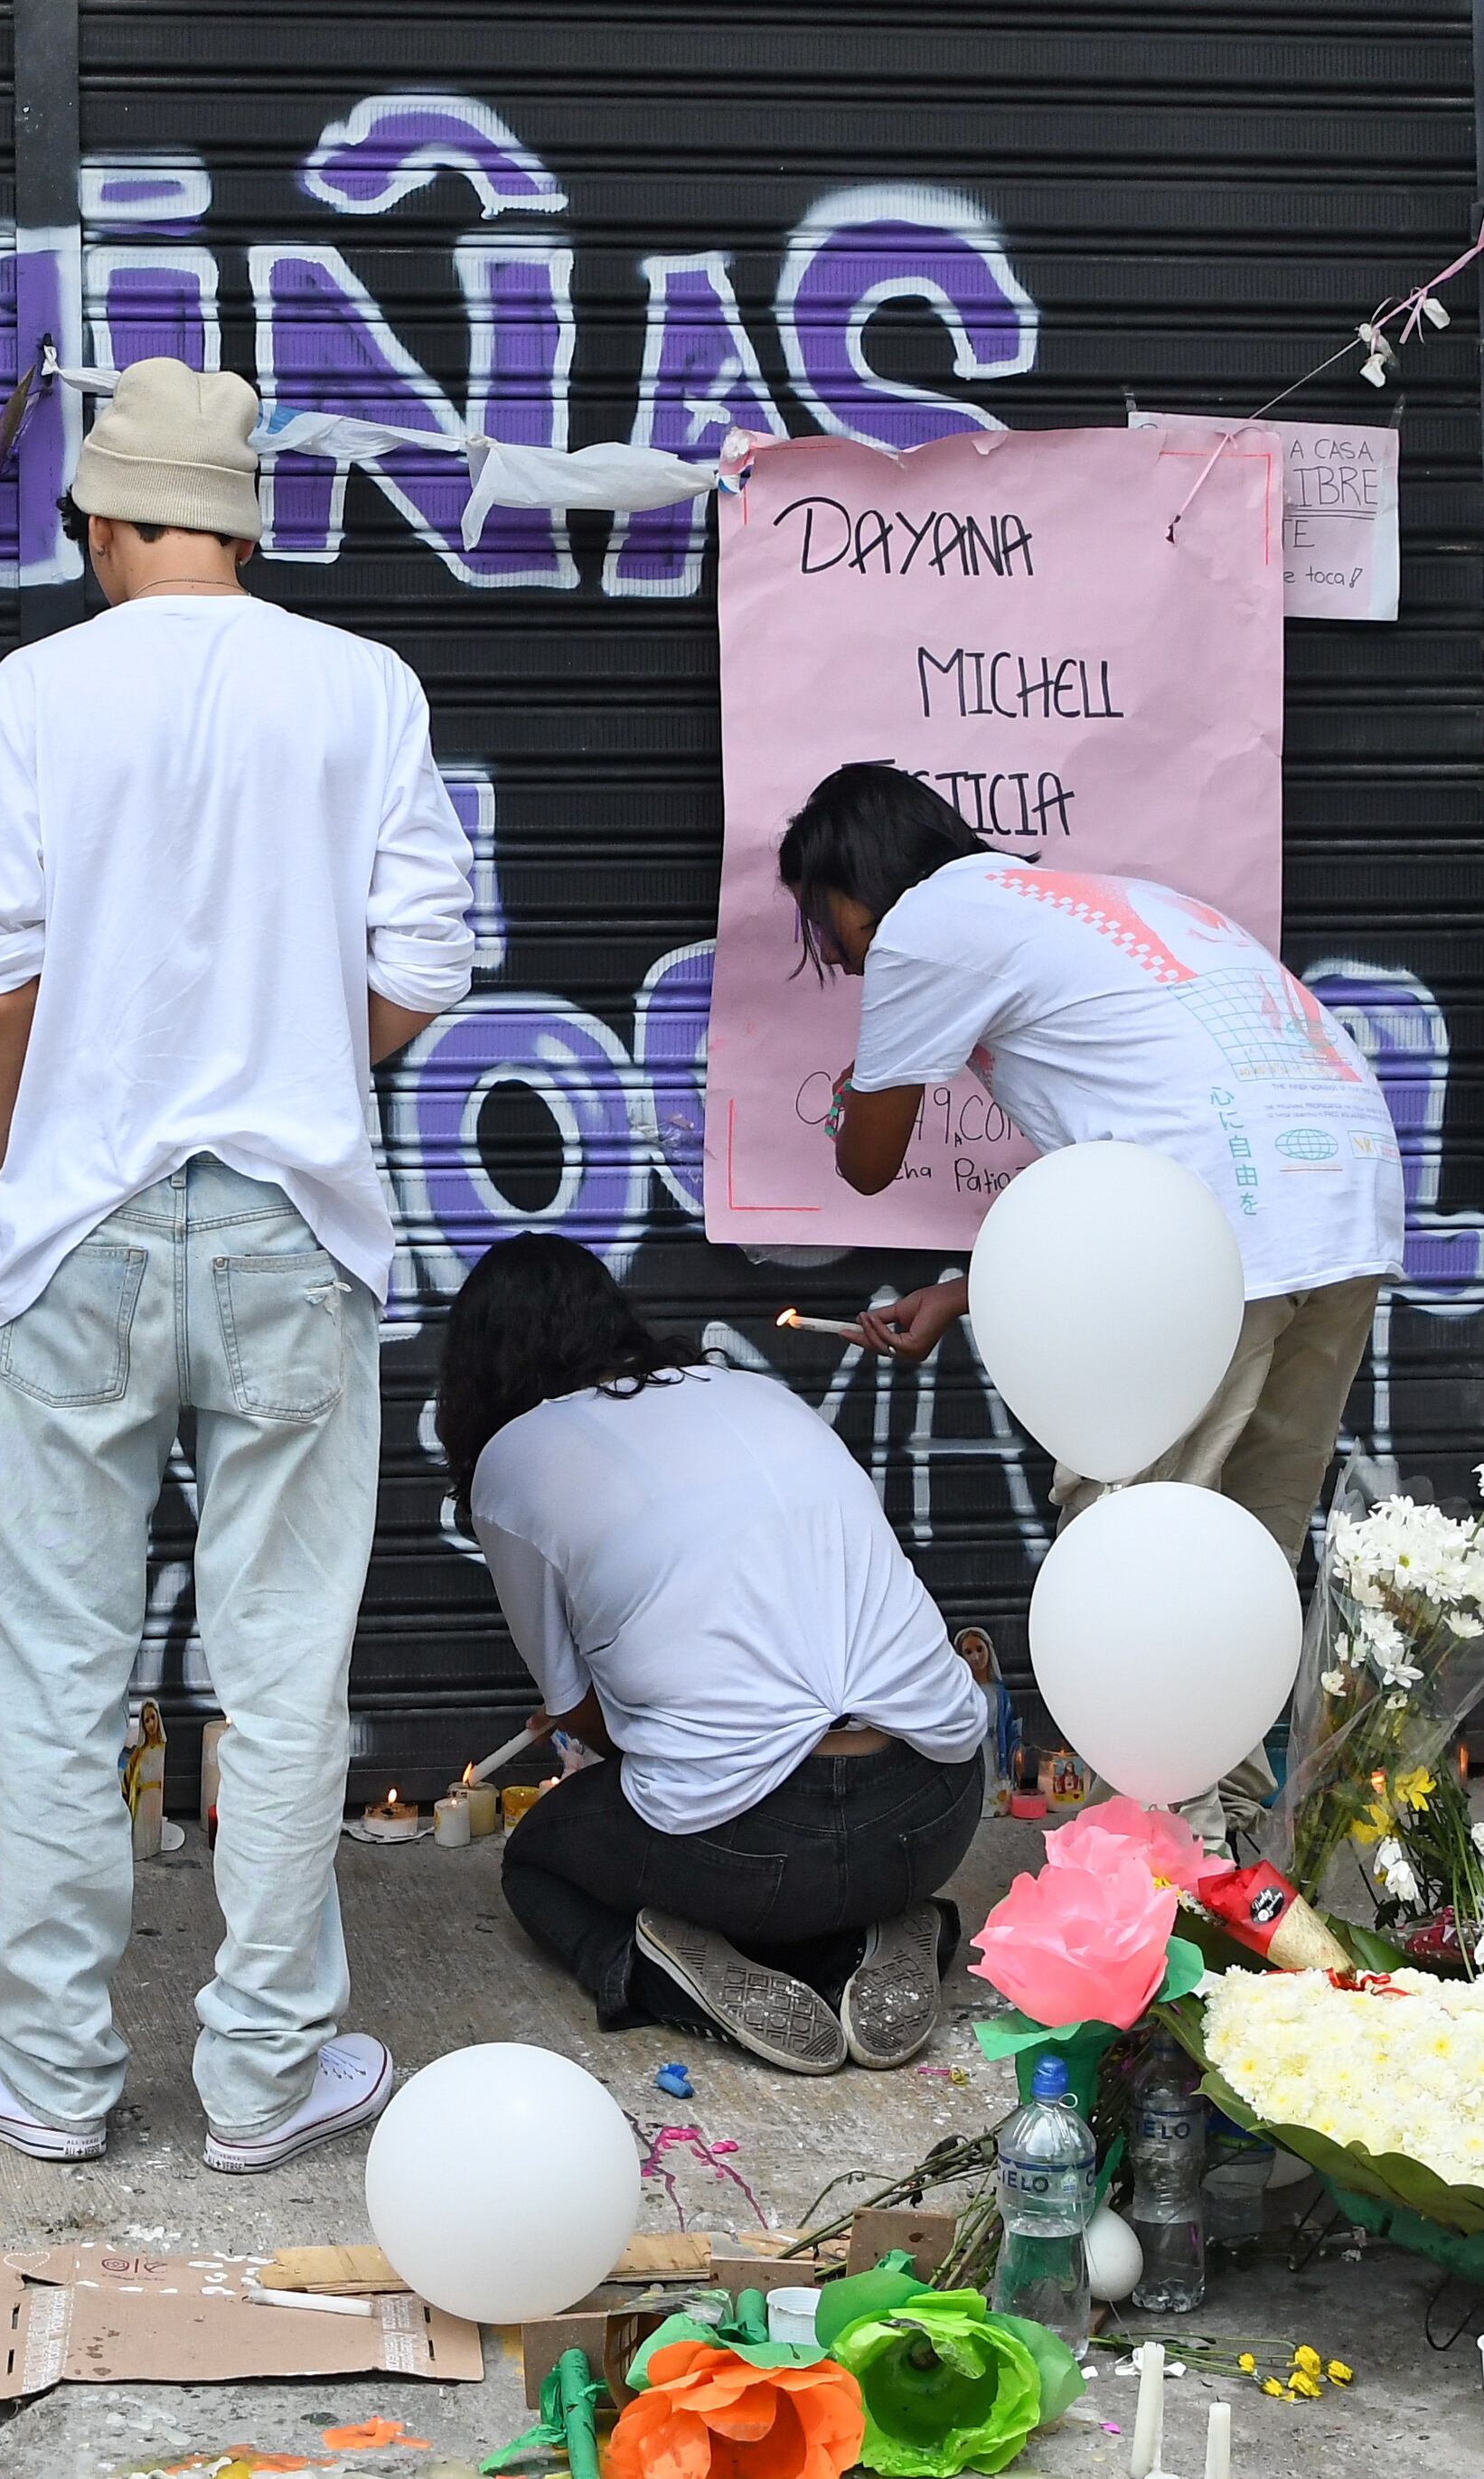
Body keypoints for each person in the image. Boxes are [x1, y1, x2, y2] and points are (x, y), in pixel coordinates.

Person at [0, 356, 473, 2174]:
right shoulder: (360, 686)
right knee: (286, 1659)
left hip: (75, 1220)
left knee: (62, 1663)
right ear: (243, 518)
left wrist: (22, 1180)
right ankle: (259, 2080)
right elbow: (424, 967)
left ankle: (56, 2074)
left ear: (96, 517)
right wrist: (298, 1054)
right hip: (290, 1221)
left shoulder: (36, 691)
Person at [778, 761, 1403, 1569]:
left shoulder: (922, 925)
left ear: (855, 874)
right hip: (1341, 1198)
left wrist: (852, 1093)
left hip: (1222, 1220)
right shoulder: (1099, 901)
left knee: (1126, 1531)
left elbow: (866, 1163)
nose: (836, 959)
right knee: (1251, 1548)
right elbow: (1129, 1183)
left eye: (820, 927)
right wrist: (969, 1294)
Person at [439, 1236, 987, 2075]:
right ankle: (884, 1929)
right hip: (936, 1806)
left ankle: (659, 1976)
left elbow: (586, 1718)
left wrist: (590, 1717)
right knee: (782, 1829)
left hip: (754, 1855)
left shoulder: (514, 1459)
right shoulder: (755, 1390)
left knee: (539, 1858)